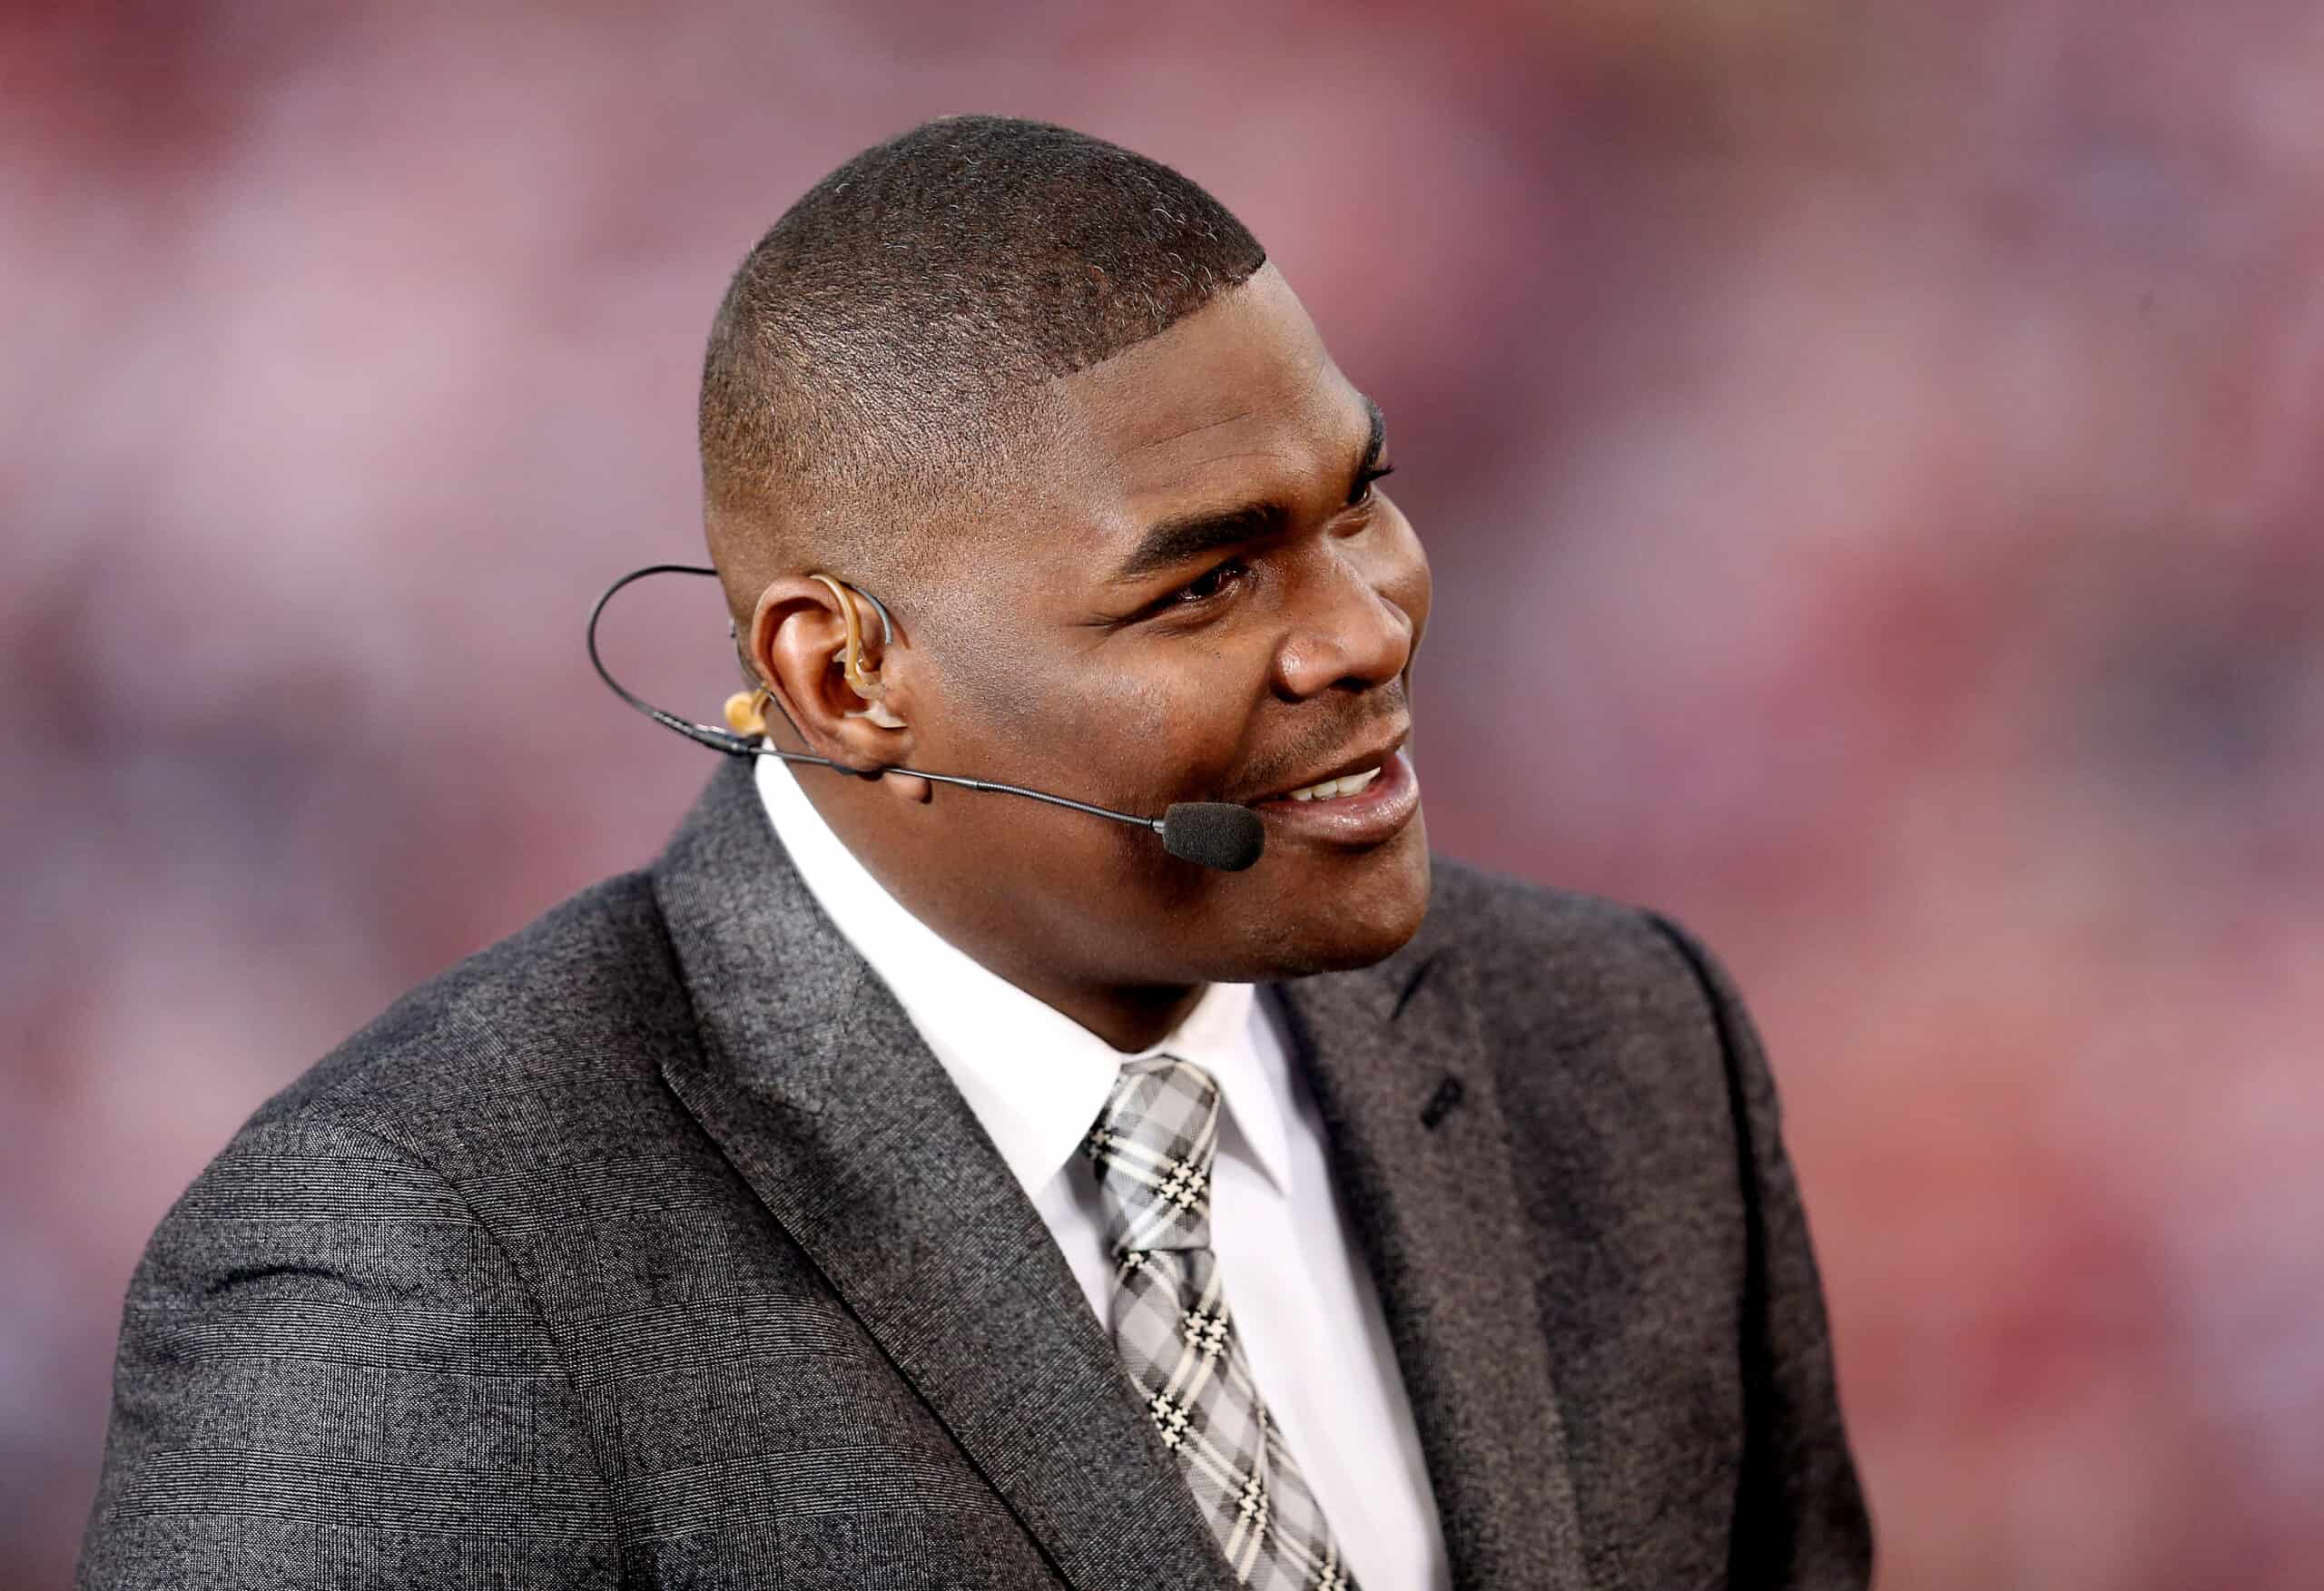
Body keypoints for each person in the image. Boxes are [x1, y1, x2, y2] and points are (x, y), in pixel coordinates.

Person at [78, 116, 1872, 1590]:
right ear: (843, 677)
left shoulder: (1629, 1044)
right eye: (1206, 580)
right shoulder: (417, 1248)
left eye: (1360, 500)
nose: (1363, 627)